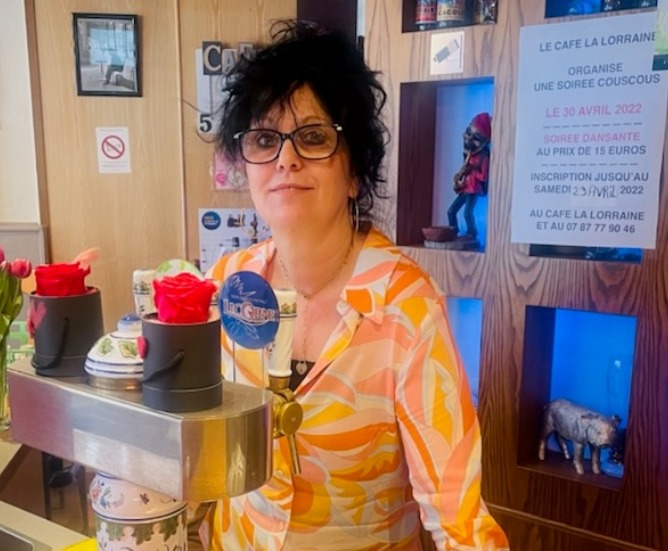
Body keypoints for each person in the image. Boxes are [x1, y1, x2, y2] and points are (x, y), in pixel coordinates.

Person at [203, 20, 509, 550]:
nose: (285, 159)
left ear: (355, 173)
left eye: (314, 137)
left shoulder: (407, 307)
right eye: (264, 139)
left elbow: (458, 520)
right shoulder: (227, 283)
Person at [447, 113, 491, 243]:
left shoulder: (483, 157)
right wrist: (459, 177)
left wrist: (472, 171)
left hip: (473, 189)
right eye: (469, 132)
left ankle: (472, 233)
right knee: (451, 211)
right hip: (465, 188)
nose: (469, 139)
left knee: (467, 213)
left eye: (476, 137)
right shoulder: (468, 155)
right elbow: (463, 174)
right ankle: (453, 232)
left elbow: (483, 177)